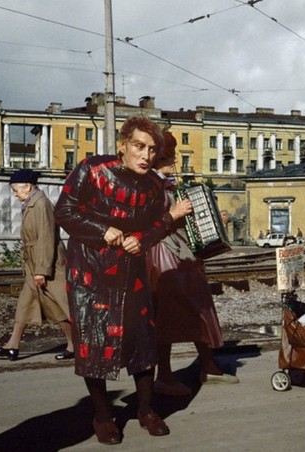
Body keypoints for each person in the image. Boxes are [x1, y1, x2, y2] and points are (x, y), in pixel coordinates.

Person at [54, 116, 191, 445]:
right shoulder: (91, 169)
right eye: (138, 147)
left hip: (133, 276)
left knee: (142, 343)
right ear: (122, 145)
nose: (145, 155)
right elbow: (64, 211)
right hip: (90, 274)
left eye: (151, 150)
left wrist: (141, 238)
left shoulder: (155, 187)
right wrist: (104, 231)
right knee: (95, 344)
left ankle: (146, 411)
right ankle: (103, 416)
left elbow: (158, 226)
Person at [146, 131, 238, 397]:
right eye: (170, 156)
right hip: (164, 259)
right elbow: (151, 222)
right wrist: (176, 214)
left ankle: (205, 365)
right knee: (168, 317)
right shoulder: (151, 185)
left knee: (196, 309)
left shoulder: (165, 183)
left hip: (180, 256)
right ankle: (165, 374)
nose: (174, 161)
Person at [0, 169, 73, 361]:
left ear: (27, 186)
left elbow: (46, 237)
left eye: (16, 189)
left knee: (61, 306)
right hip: (34, 264)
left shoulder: (40, 204)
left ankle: (81, 344)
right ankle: (12, 345)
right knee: (25, 303)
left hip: (48, 266)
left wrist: (41, 271)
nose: (15, 194)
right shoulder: (31, 203)